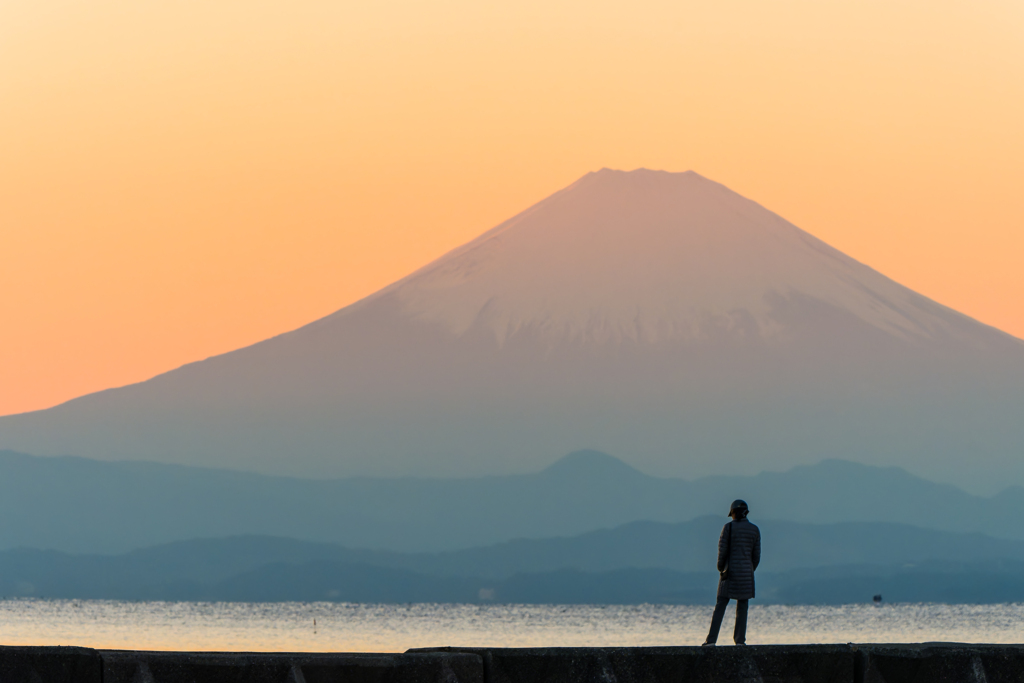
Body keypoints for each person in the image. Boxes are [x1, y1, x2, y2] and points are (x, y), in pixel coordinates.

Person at [702, 499, 760, 646]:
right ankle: (740, 641)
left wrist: (720, 568)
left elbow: (722, 552)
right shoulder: (754, 530)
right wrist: (749, 569)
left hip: (730, 574)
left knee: (720, 605)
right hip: (747, 574)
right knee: (742, 607)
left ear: (733, 513)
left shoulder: (728, 528)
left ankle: (711, 641)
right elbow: (756, 556)